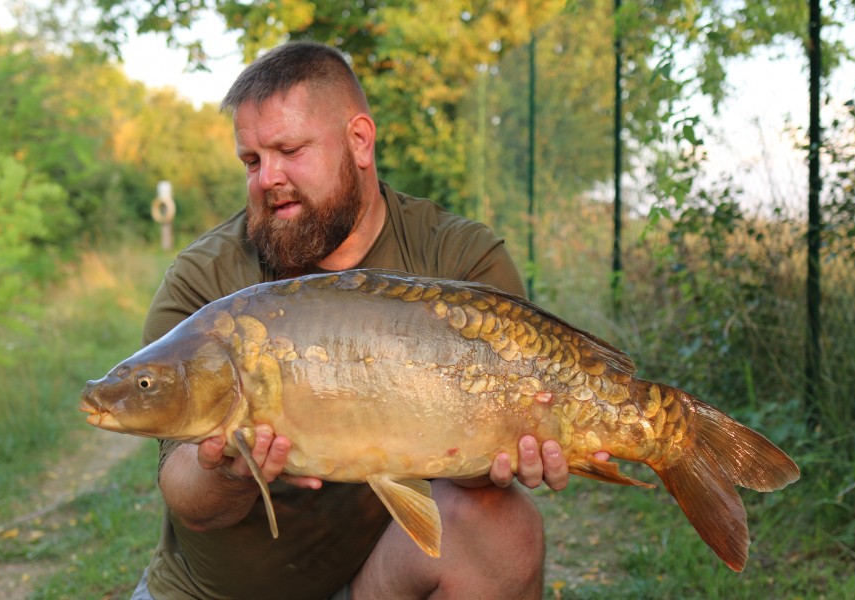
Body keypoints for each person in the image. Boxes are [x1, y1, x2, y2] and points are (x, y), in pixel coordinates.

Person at [132, 41, 592, 600]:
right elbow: (188, 500)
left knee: (503, 523)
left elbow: (471, 475)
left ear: (360, 141)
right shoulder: (205, 281)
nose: (266, 178)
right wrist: (230, 467)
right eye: (251, 161)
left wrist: (505, 447)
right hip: (213, 593)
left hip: (375, 582)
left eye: (290, 149)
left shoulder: (457, 257)